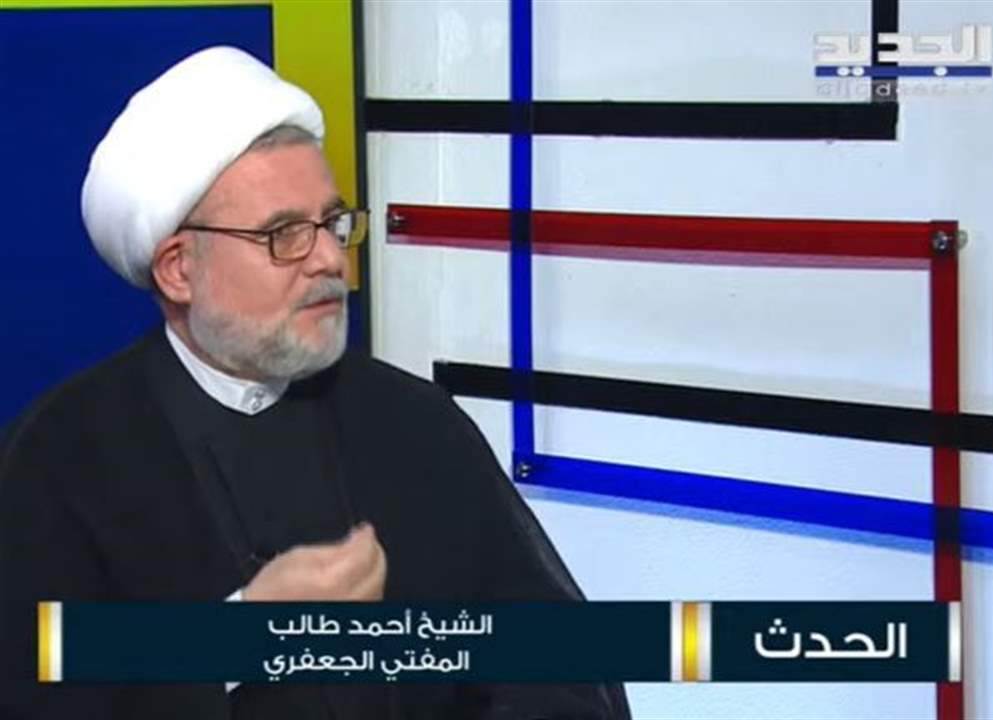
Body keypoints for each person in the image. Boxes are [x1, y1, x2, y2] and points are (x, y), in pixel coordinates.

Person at [0, 46, 630, 719]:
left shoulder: (414, 422)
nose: (330, 258)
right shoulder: (61, 458)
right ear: (179, 270)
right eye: (284, 234)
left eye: (332, 223)